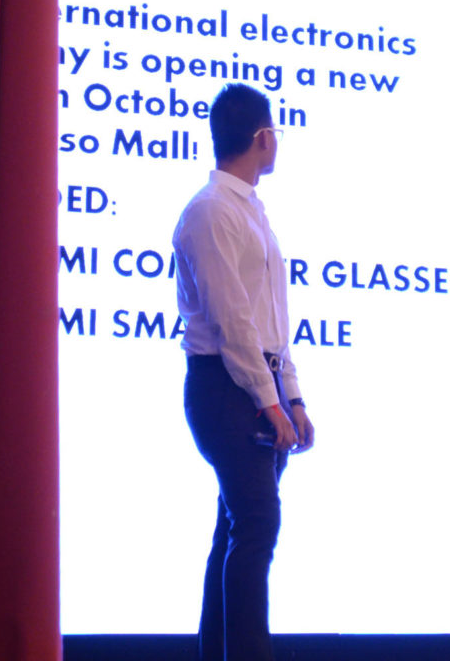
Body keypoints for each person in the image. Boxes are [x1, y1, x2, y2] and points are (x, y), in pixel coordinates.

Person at [173, 82, 314, 661]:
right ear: (261, 138)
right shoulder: (210, 212)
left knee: (236, 528)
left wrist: (293, 397)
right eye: (274, 130)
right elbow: (233, 322)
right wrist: (268, 400)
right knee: (256, 525)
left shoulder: (250, 210)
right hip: (224, 388)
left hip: (259, 384)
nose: (276, 140)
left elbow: (271, 318)